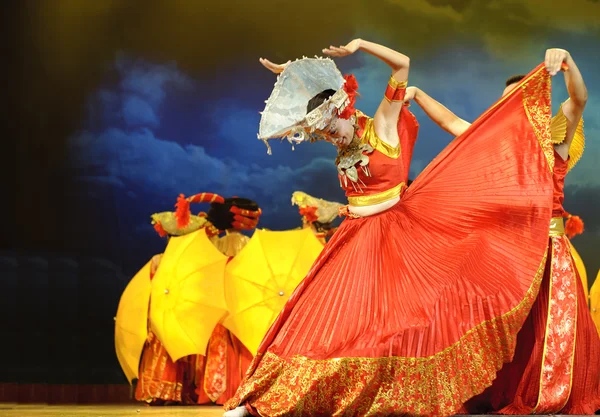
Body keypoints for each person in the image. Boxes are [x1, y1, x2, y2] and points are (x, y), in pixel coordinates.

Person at [224, 38, 556, 417]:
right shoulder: (340, 139)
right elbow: (306, 115)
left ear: (346, 109)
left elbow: (402, 66)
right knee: (313, 319)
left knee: (402, 323)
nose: (331, 137)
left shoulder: (382, 123)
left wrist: (360, 45)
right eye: (323, 134)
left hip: (399, 236)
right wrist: (294, 75)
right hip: (354, 238)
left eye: (332, 127)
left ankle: (393, 396)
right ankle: (260, 402)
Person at [405, 48, 600, 414]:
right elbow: (450, 123)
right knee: (500, 330)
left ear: (537, 104)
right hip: (506, 254)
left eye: (520, 99)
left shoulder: (554, 141)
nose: (512, 109)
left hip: (547, 253)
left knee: (546, 332)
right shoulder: (495, 146)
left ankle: (547, 392)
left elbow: (579, 98)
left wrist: (569, 62)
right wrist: (415, 93)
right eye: (505, 103)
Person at [136, 193, 261, 406]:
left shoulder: (213, 245)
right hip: (240, 301)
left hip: (208, 302)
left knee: (208, 346)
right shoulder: (249, 245)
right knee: (239, 345)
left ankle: (206, 391)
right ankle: (240, 390)